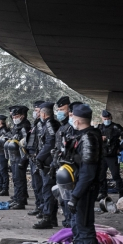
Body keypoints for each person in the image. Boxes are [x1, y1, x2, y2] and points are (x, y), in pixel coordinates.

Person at [61, 104, 103, 244]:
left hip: (84, 190)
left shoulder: (88, 139)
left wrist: (76, 196)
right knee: (79, 224)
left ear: (76, 120)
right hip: (78, 187)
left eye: (72, 117)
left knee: (84, 226)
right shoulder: (83, 136)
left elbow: (88, 173)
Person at [33, 103, 60, 229]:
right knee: (48, 188)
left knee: (48, 189)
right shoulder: (48, 124)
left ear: (43, 114)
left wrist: (39, 157)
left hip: (48, 162)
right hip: (47, 161)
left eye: (39, 113)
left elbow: (50, 143)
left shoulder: (49, 124)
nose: (38, 115)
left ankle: (48, 217)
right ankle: (52, 218)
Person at [97, 110, 123, 200]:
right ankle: (103, 193)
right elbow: (93, 138)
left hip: (112, 156)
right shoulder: (99, 128)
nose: (106, 120)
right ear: (102, 118)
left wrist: (119, 148)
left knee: (115, 175)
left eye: (108, 118)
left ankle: (121, 192)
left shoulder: (116, 127)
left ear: (111, 117)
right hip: (102, 155)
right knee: (101, 175)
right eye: (105, 118)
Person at [50, 96, 73, 228]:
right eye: (58, 109)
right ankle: (67, 220)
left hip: (68, 167)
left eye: (62, 109)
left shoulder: (70, 127)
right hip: (60, 165)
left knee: (68, 196)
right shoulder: (62, 127)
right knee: (62, 196)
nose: (59, 112)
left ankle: (70, 222)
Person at [7, 106, 31, 210]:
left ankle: (20, 200)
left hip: (21, 156)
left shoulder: (25, 126)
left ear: (22, 116)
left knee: (20, 179)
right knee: (16, 179)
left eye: (16, 116)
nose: (14, 118)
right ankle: (17, 197)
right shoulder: (16, 126)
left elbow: (26, 143)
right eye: (13, 116)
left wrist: (24, 159)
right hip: (14, 156)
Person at [26, 101, 44, 217]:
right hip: (33, 157)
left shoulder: (44, 125)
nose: (35, 113)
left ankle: (43, 208)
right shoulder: (36, 123)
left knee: (41, 185)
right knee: (35, 184)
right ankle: (39, 206)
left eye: (37, 111)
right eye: (35, 111)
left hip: (39, 158)